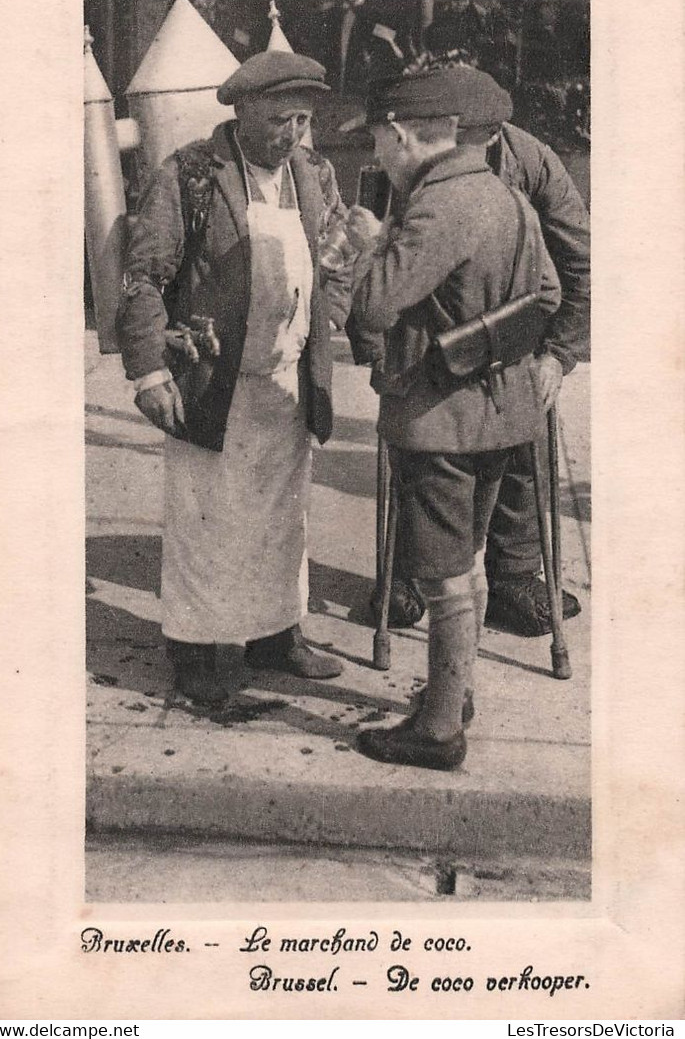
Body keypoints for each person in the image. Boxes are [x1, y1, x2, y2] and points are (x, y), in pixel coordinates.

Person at [116, 51, 350, 708]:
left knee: (283, 519)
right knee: (205, 522)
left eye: (302, 120)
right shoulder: (188, 175)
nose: (292, 134)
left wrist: (328, 316)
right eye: (279, 120)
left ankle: (276, 636)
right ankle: (193, 653)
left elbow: (337, 258)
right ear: (242, 112)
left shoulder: (312, 173)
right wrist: (149, 373)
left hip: (285, 384)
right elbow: (145, 278)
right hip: (213, 384)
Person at [346, 66, 562, 770]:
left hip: (438, 419)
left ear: (405, 135)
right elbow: (549, 295)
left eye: (379, 141)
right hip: (500, 416)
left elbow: (374, 304)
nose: (376, 155)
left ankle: (438, 727)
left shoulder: (437, 206)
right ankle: (453, 687)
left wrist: (367, 243)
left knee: (439, 570)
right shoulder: (506, 196)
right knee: (463, 562)